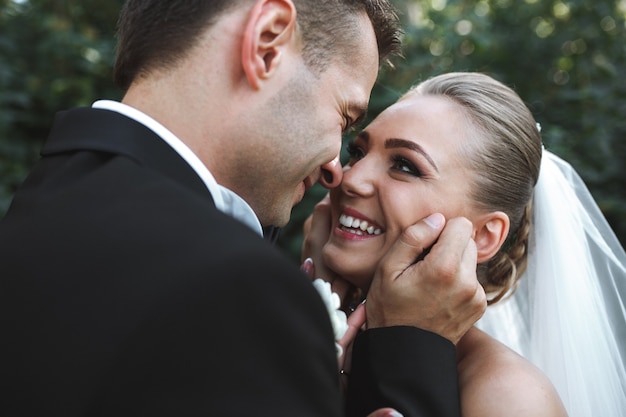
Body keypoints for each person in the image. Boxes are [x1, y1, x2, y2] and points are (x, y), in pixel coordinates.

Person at [0, 2, 488, 417]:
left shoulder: (44, 202)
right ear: (267, 41)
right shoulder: (234, 288)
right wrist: (412, 354)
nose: (337, 171)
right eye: (344, 115)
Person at [302, 71, 626, 416]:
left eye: (405, 166)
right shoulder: (312, 329)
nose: (350, 178)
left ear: (483, 236)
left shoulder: (510, 396)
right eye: (358, 152)